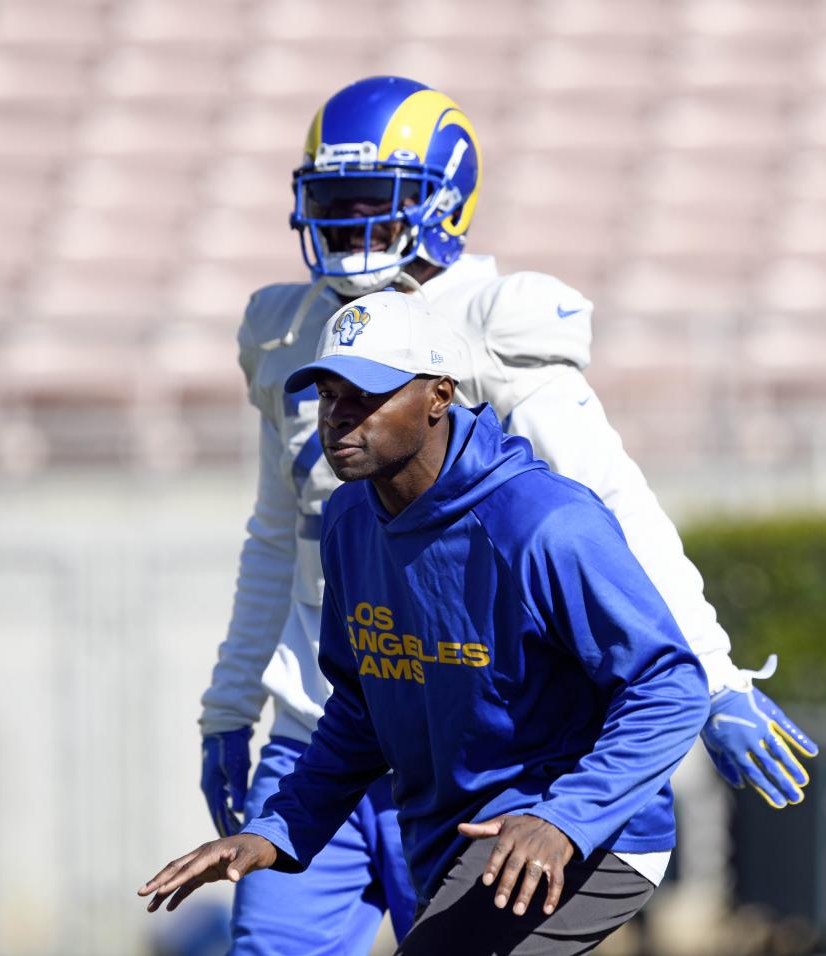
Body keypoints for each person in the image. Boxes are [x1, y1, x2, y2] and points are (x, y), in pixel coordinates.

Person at [199, 76, 818, 953]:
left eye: (374, 203)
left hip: (476, 745)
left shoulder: (488, 322)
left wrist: (711, 673)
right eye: (331, 203)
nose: (348, 226)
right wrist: (229, 704)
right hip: (335, 722)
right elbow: (276, 535)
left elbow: (604, 509)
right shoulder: (286, 332)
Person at [142, 291, 712, 955]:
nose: (339, 419)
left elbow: (670, 687)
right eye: (329, 396)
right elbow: (361, 711)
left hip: (588, 834)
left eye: (366, 395)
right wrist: (278, 829)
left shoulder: (545, 523)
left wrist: (563, 818)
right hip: (456, 840)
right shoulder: (350, 522)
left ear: (439, 395)